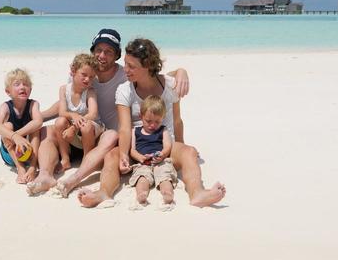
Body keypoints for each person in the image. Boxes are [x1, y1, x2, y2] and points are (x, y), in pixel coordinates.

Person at [29, 28, 189, 199]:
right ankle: (45, 175)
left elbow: (153, 75)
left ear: (117, 55)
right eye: (98, 50)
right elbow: (69, 103)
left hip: (101, 137)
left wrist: (181, 71)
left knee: (111, 135)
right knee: (48, 130)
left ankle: (79, 173)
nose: (102, 56)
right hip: (75, 132)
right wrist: (40, 116)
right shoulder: (85, 72)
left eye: (108, 52)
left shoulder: (126, 75)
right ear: (92, 51)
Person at [76, 37, 226, 208]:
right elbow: (124, 128)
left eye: (131, 66)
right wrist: (124, 154)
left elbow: (177, 121)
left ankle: (197, 193)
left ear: (147, 66)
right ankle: (103, 193)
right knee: (111, 156)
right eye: (125, 63)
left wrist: (182, 149)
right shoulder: (125, 90)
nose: (125, 70)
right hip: (135, 147)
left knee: (190, 152)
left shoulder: (170, 86)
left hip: (165, 145)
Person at [0, 68, 43, 184]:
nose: (22, 87)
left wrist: (18, 135)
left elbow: (39, 122)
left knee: (35, 126)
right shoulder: (5, 107)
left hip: (30, 153)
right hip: (10, 154)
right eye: (17, 84)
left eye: (26, 84)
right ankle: (20, 168)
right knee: (7, 126)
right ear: (8, 91)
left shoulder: (33, 104)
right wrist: (14, 137)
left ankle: (32, 167)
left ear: (30, 89)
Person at [54, 53, 103, 171]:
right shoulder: (64, 89)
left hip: (91, 128)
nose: (87, 79)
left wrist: (74, 128)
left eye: (92, 77)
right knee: (60, 122)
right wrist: (73, 115)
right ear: (73, 71)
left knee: (86, 126)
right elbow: (62, 112)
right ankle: (65, 159)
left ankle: (87, 159)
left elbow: (93, 114)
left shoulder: (90, 92)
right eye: (84, 75)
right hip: (75, 128)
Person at [129, 95, 177, 210]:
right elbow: (132, 150)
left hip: (160, 161)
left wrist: (162, 154)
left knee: (164, 176)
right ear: (141, 116)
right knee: (142, 177)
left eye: (157, 121)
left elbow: (167, 146)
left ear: (162, 118)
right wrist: (140, 157)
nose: (152, 125)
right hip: (143, 162)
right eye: (148, 121)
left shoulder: (163, 130)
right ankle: (142, 193)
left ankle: (167, 193)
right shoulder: (135, 131)